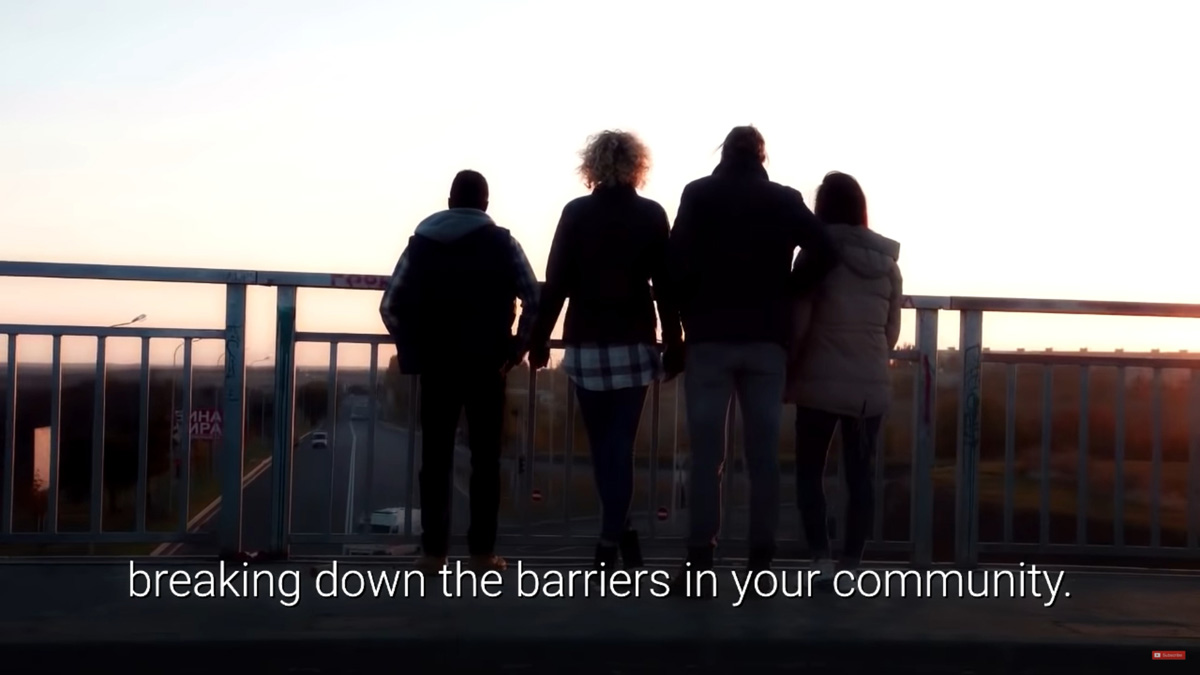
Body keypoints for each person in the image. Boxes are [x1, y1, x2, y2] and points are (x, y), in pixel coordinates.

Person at [667, 126, 839, 591]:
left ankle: (700, 561)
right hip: (767, 340)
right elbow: (826, 249)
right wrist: (790, 289)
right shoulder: (783, 199)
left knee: (708, 457)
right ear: (762, 157)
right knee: (763, 457)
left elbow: (674, 263)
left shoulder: (698, 195)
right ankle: (761, 561)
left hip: (709, 338)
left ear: (723, 154)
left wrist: (686, 314)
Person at [528, 130, 684, 574]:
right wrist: (675, 340)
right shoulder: (651, 215)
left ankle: (612, 535)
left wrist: (539, 339)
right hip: (634, 340)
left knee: (602, 446)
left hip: (587, 341)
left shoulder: (576, 213)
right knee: (621, 444)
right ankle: (616, 534)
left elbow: (556, 283)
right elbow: (666, 287)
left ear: (592, 165)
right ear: (637, 166)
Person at [379, 169, 540, 575]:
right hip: (488, 364)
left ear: (449, 202)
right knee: (486, 460)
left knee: (435, 460)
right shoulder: (503, 243)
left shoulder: (420, 244)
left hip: (437, 365)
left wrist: (412, 350)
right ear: (485, 205)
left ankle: (433, 554)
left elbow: (390, 305)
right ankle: (482, 555)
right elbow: (534, 299)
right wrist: (516, 349)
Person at [784, 171, 902, 580]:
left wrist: (790, 368)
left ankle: (820, 558)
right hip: (869, 386)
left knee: (810, 473)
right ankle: (852, 563)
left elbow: (799, 322)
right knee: (860, 476)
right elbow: (891, 331)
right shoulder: (887, 264)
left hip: (818, 380)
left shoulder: (816, 254)